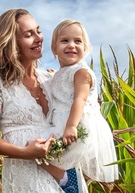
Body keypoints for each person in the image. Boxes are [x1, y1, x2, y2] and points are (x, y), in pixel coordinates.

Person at [0, 9, 88, 192]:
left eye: (38, 31)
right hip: (26, 172)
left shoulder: (51, 80)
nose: (39, 38)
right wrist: (24, 153)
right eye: (29, 35)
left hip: (66, 171)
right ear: (12, 43)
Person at [41, 19, 119, 183]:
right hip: (64, 121)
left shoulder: (82, 73)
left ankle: (65, 179)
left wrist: (71, 126)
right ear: (54, 49)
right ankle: (65, 178)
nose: (71, 45)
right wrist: (55, 75)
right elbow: (65, 85)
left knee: (40, 153)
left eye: (78, 41)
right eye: (64, 41)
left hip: (77, 124)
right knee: (44, 155)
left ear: (85, 48)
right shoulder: (63, 73)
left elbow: (79, 100)